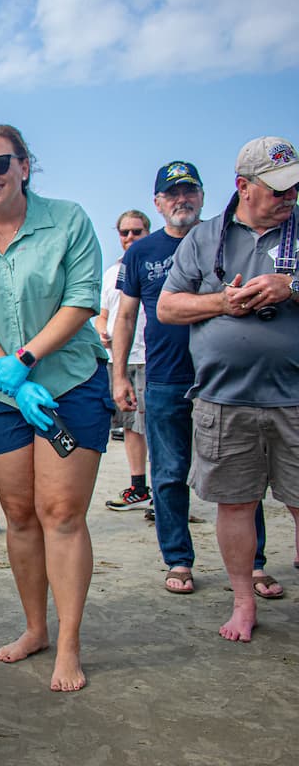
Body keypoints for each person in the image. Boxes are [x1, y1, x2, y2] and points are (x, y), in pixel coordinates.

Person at [0, 124, 112, 692]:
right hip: (1, 393)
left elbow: (82, 299)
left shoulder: (68, 220)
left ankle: (69, 644)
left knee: (60, 512)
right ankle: (35, 628)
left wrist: (30, 358)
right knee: (17, 514)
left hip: (69, 381)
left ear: (24, 166)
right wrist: (8, 375)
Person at [157, 135, 299, 642]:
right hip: (225, 397)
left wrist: (291, 286)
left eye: (294, 188)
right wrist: (223, 302)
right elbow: (168, 308)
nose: (290, 197)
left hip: (295, 397)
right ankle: (243, 603)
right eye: (279, 190)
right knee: (235, 504)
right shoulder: (203, 237)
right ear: (242, 186)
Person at [113, 163, 272, 595]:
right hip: (165, 378)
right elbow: (126, 317)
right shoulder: (141, 252)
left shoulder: (225, 240)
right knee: (167, 473)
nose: (181, 200)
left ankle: (254, 563)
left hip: (225, 379)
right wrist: (120, 375)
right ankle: (178, 559)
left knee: (242, 474)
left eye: (190, 192)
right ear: (158, 202)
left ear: (202, 196)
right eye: (172, 194)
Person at [97, 210, 151, 512]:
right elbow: (102, 315)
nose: (129, 238)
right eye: (124, 232)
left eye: (136, 232)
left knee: (157, 426)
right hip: (118, 360)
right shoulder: (111, 273)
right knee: (131, 426)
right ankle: (139, 486)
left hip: (149, 356)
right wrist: (102, 332)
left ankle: (167, 490)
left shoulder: (156, 264)